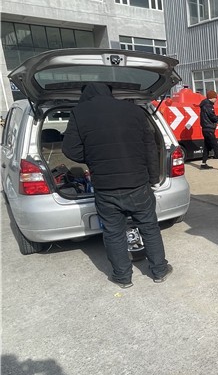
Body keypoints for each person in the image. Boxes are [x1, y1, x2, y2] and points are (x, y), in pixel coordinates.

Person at [62, 83, 172, 288]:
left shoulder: (79, 113)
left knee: (113, 233)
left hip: (106, 188)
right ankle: (159, 271)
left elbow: (70, 150)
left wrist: (95, 158)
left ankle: (123, 277)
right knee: (149, 227)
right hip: (138, 184)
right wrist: (153, 178)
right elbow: (150, 148)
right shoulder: (134, 110)